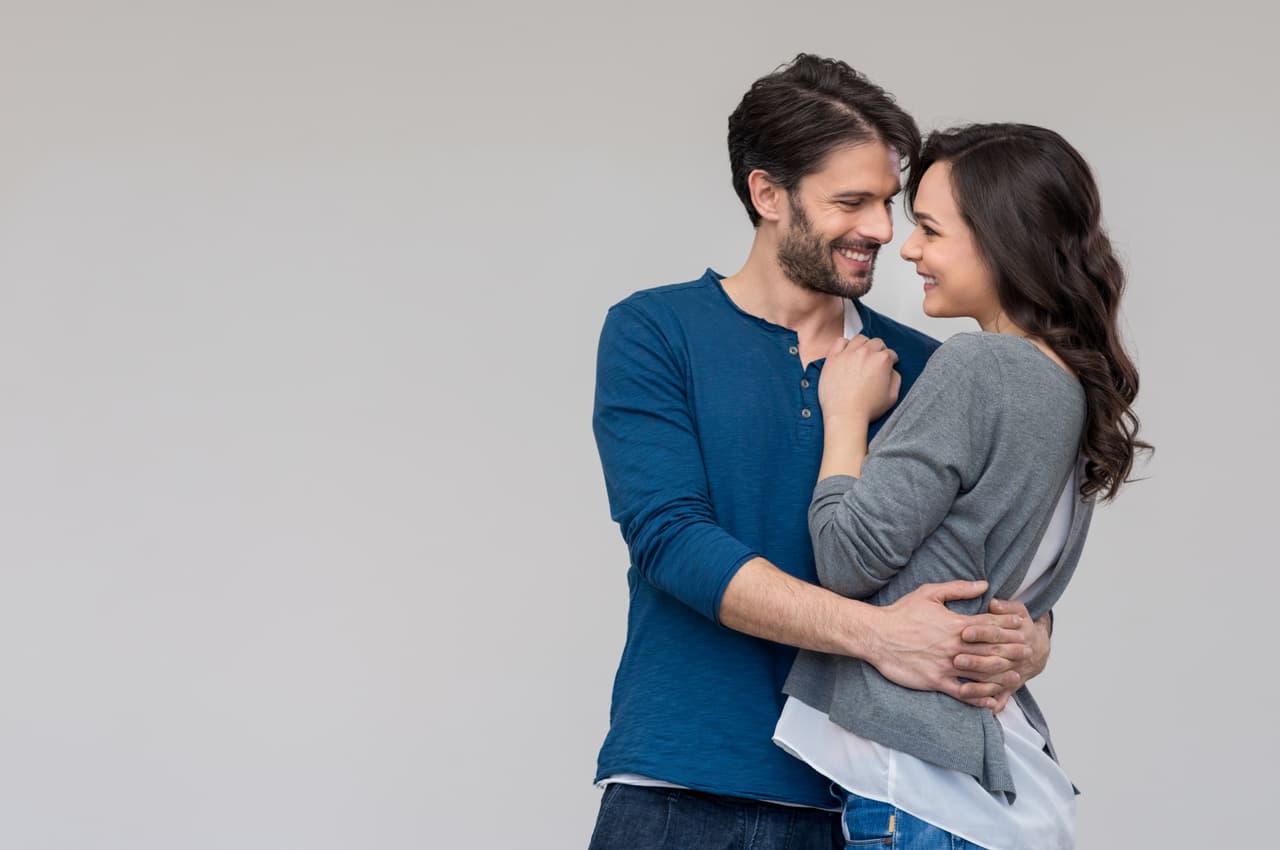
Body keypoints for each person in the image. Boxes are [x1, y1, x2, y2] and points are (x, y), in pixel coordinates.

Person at [588, 56, 1054, 850]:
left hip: (878, 801)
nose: (881, 227)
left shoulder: (933, 366)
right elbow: (671, 540)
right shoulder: (655, 330)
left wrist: (1026, 639)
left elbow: (991, 553)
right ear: (768, 195)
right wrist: (876, 635)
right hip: (685, 785)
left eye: (887, 202)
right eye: (852, 201)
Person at [774, 124, 1148, 850]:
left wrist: (845, 416)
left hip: (925, 794)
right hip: (1004, 791)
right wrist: (1035, 637)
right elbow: (1003, 576)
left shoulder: (979, 367)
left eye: (931, 230)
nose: (907, 249)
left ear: (1005, 239)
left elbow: (848, 560)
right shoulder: (1070, 386)